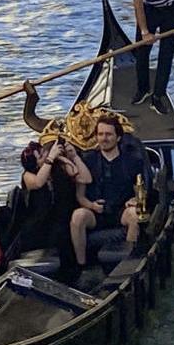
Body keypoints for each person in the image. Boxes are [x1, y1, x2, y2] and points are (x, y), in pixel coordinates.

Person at [69, 115, 148, 275]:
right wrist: (91, 206)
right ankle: (82, 267)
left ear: (118, 137)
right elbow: (80, 196)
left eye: (108, 134)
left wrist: (135, 199)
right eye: (100, 134)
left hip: (121, 211)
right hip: (95, 212)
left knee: (134, 214)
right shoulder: (88, 160)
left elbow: (141, 190)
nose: (104, 139)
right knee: (78, 216)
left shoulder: (132, 161)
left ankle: (129, 265)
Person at [16, 138, 90, 256]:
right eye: (40, 157)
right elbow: (39, 182)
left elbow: (84, 178)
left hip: (62, 217)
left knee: (64, 230)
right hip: (40, 222)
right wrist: (50, 159)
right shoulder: (28, 175)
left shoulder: (57, 168)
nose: (45, 156)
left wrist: (66, 159)